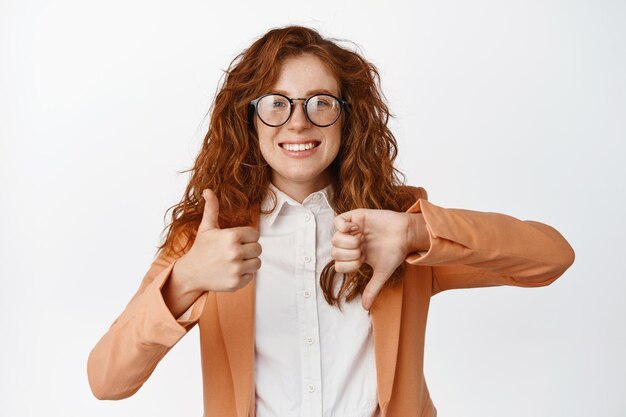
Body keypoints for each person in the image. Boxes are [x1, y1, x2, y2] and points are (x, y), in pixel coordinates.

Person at [87, 25, 575, 417]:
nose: (297, 122)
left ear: (348, 117)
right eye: (275, 104)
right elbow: (106, 381)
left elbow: (551, 257)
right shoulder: (208, 240)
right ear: (248, 119)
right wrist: (186, 280)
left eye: (320, 102)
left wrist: (415, 232)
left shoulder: (395, 226)